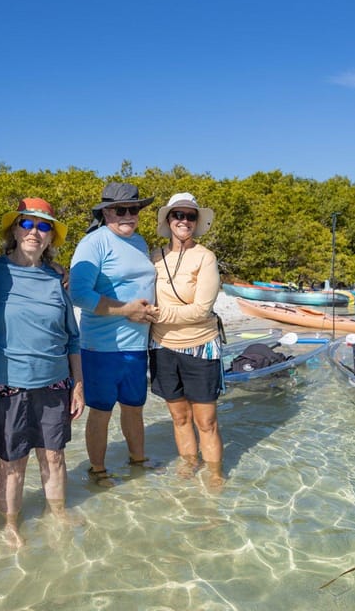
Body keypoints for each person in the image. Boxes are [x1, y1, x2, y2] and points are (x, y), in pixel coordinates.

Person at [0, 198, 85, 547]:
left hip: (56, 383)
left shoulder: (58, 279)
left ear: (50, 237)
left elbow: (73, 338)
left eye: (44, 226)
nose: (34, 232)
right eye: (27, 224)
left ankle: (56, 512)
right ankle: (10, 523)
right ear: (14, 230)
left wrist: (78, 385)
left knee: (54, 456)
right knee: (13, 462)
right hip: (9, 385)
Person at [69, 182, 157, 486]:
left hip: (137, 346)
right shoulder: (93, 243)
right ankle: (97, 470)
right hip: (101, 348)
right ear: (106, 212)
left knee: (135, 407)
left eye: (134, 209)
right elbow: (79, 294)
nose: (128, 215)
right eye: (120, 210)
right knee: (101, 411)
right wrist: (127, 311)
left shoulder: (140, 242)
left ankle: (138, 462)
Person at [148, 193, 225, 488]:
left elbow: (201, 310)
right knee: (179, 417)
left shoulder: (206, 257)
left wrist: (156, 315)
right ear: (168, 220)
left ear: (196, 222)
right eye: (178, 215)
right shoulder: (154, 256)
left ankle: (215, 474)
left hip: (200, 345)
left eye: (190, 216)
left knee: (206, 421)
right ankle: (189, 463)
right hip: (162, 347)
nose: (184, 221)